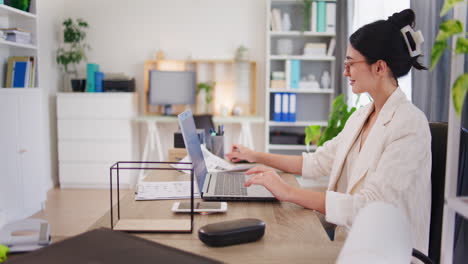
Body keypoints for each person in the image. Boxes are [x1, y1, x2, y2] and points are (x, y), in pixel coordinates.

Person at [226, 9, 431, 254]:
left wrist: (289, 192)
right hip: (352, 242)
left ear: (379, 68)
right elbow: (316, 163)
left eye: (351, 64)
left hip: (384, 252)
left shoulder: (410, 125)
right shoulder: (362, 117)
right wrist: (257, 156)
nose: (345, 72)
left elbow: (369, 207)